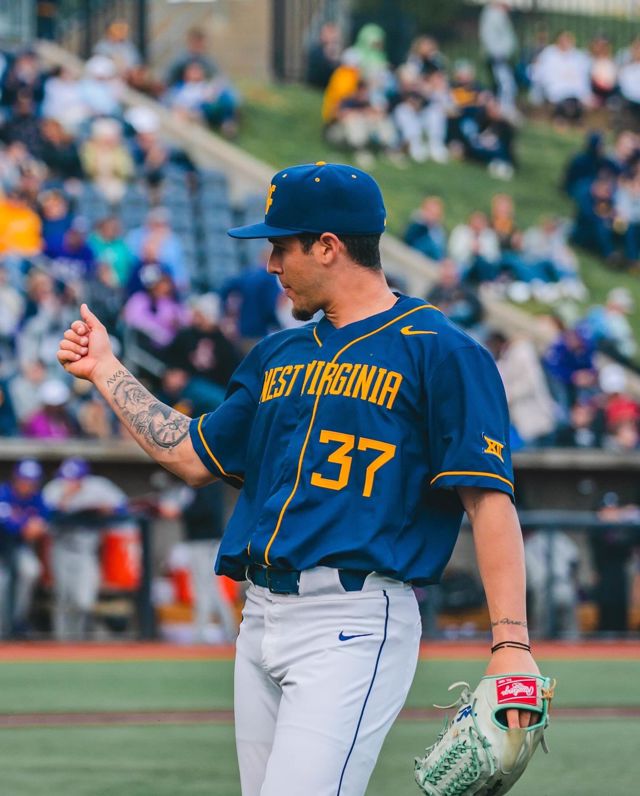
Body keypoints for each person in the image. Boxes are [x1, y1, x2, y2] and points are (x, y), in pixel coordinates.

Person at [57, 161, 539, 796]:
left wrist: (511, 645)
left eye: (281, 247)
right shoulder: (277, 354)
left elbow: (489, 502)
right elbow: (191, 454)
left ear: (328, 246)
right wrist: (106, 369)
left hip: (353, 618)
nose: (270, 264)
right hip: (259, 617)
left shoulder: (442, 350)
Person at [43, 458, 127, 640]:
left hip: (87, 551)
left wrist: (107, 510)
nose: (70, 482)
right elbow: (45, 514)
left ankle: (78, 638)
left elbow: (123, 507)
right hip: (61, 547)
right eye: (67, 478)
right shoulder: (55, 488)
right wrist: (65, 499)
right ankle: (62, 640)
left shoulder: (98, 487)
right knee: (64, 597)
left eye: (75, 479)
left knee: (84, 601)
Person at [0, 459, 48, 637]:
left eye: (32, 481)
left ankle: (17, 622)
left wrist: (36, 526)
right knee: (2, 582)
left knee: (30, 571)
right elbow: (8, 525)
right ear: (16, 478)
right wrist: (24, 525)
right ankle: (3, 627)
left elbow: (45, 519)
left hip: (17, 547)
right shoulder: (3, 493)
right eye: (24, 480)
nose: (27, 485)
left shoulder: (36, 498)